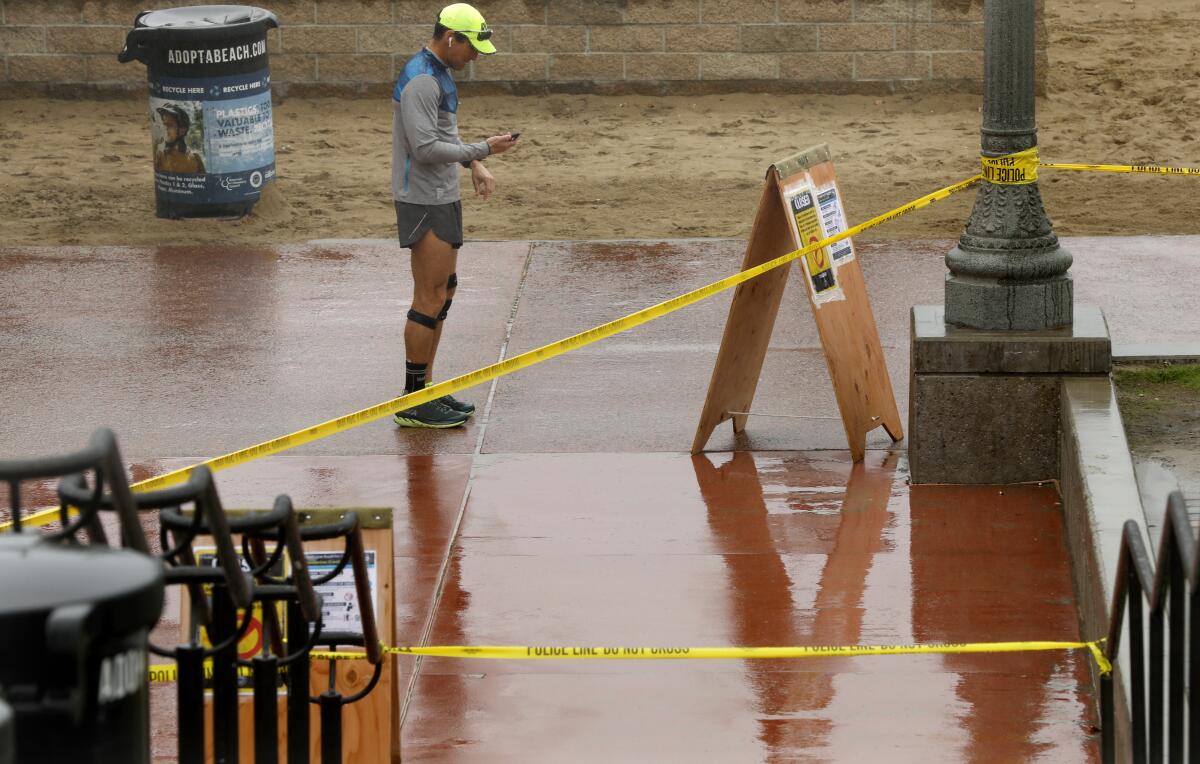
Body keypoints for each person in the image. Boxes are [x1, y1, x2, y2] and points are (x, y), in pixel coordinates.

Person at [390, 3, 518, 429]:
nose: (477, 56)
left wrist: (472, 164)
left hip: (441, 196)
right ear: (451, 38)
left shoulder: (440, 73)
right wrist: (483, 149)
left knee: (443, 293)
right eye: (473, 47)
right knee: (428, 298)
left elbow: (445, 136)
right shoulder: (422, 80)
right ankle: (412, 400)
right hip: (423, 199)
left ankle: (425, 389)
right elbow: (424, 149)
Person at [154, 103, 205, 174]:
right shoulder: (160, 155)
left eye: (169, 125)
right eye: (164, 124)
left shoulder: (194, 159)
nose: (165, 129)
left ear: (182, 130)